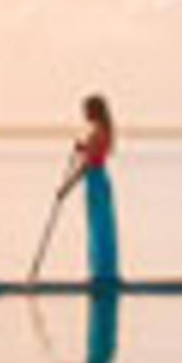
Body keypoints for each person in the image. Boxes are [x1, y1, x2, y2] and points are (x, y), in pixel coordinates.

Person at [66, 92, 119, 289]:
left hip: (95, 180)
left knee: (99, 227)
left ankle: (102, 275)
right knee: (98, 226)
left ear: (94, 111)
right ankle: (101, 272)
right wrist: (82, 148)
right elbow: (93, 153)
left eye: (86, 109)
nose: (84, 113)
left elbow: (88, 164)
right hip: (98, 179)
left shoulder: (98, 132)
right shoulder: (102, 130)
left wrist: (66, 188)